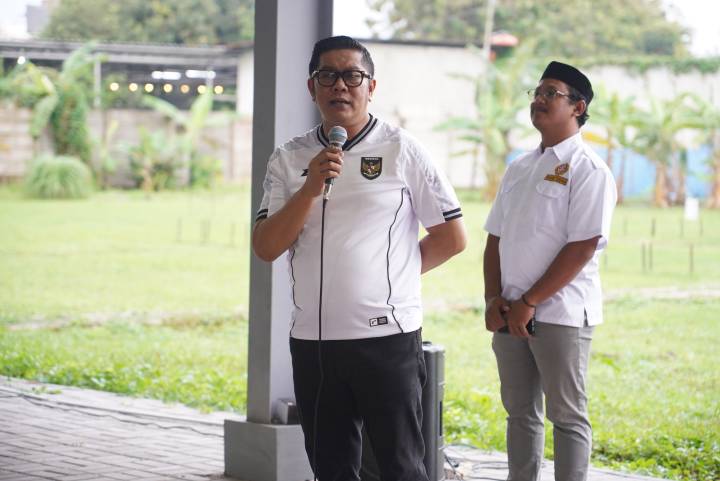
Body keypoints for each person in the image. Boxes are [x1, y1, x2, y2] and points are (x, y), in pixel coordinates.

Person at [252, 35, 466, 481]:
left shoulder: (402, 149)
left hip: (386, 339)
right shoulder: (289, 159)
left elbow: (451, 236)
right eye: (328, 75)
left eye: (352, 76)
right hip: (314, 343)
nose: (340, 86)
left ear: (371, 86)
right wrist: (309, 189)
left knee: (400, 467)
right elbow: (267, 246)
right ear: (311, 87)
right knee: (331, 469)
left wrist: (395, 279)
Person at [483, 61, 617, 481]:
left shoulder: (588, 169)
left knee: (567, 414)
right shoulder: (520, 167)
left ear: (578, 107)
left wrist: (531, 301)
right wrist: (493, 298)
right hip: (510, 310)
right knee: (519, 411)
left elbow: (582, 246)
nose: (539, 100)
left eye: (551, 93)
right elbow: (495, 237)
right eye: (537, 93)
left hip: (559, 313)